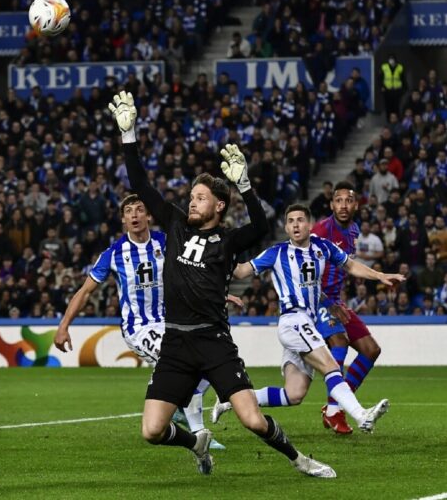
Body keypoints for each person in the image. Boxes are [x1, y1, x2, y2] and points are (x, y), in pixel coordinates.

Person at [109, 90, 335, 479]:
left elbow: (262, 227)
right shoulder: (176, 224)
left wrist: (245, 185)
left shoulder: (229, 241)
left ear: (219, 206)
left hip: (214, 343)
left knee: (253, 420)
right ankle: (196, 442)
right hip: (176, 343)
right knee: (152, 430)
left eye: (200, 198)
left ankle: (300, 460)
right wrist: (129, 136)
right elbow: (142, 185)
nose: (192, 202)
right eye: (192, 196)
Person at [53, 194, 227, 449]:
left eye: (139, 209)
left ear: (148, 216)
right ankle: (199, 431)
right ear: (123, 219)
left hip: (172, 323)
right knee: (181, 362)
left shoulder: (165, 242)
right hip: (139, 327)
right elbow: (85, 292)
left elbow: (193, 270)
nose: (134, 215)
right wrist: (63, 326)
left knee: (204, 361)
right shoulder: (114, 254)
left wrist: (220, 291)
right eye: (129, 211)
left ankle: (176, 405)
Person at [215, 204, 400, 434]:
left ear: (309, 224)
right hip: (293, 321)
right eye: (290, 221)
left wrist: (380, 275)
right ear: (285, 227)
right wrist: (219, 252)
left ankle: (231, 400)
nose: (295, 225)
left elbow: (351, 265)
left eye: (300, 220)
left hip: (307, 324)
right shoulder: (278, 252)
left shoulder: (323, 247)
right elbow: (242, 271)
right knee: (331, 366)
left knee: (294, 394)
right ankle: (362, 415)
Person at [311, 182, 386, 434]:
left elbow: (344, 267)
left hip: (336, 301)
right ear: (332, 204)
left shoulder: (353, 230)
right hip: (316, 300)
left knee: (371, 349)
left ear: (356, 205)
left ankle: (337, 405)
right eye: (339, 200)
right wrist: (329, 303)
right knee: (340, 342)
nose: (344, 205)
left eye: (349, 200)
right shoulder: (321, 230)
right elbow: (306, 274)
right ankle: (334, 411)